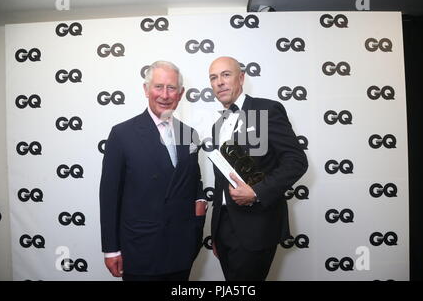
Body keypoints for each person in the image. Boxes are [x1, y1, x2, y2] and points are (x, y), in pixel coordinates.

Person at [99, 61, 207, 281]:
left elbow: (193, 182)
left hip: (181, 248)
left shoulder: (190, 134)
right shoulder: (122, 134)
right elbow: (109, 196)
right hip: (140, 250)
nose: (165, 95)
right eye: (158, 87)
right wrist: (111, 249)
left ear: (181, 93)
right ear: (146, 90)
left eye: (172, 88)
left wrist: (198, 215)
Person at [208, 56, 308, 281]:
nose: (219, 82)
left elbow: (296, 161)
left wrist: (256, 192)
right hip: (224, 227)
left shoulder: (268, 109)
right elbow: (221, 179)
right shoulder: (218, 125)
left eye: (226, 74)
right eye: (213, 77)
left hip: (257, 226)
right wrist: (216, 231)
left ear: (241, 77)